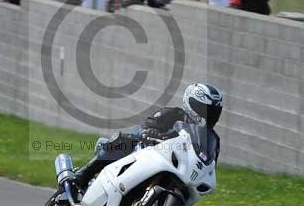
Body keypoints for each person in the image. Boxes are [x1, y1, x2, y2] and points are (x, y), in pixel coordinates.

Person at [72, 83, 223, 196]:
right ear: (191, 104)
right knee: (124, 140)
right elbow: (145, 126)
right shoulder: (173, 114)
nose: (209, 115)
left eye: (213, 112)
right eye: (205, 109)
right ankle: (84, 173)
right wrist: (150, 133)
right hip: (148, 152)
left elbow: (209, 165)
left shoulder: (212, 140)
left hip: (176, 171)